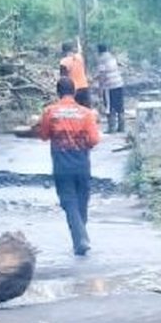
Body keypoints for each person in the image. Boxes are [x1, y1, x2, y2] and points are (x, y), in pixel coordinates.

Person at [35, 77, 101, 256]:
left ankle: (80, 239)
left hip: (61, 164)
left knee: (69, 202)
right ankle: (81, 238)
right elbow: (94, 140)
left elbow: (43, 135)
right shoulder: (87, 114)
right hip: (82, 163)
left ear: (58, 92)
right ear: (74, 92)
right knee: (82, 202)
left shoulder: (50, 112)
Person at [94, 44, 125, 134]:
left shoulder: (101, 59)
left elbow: (102, 75)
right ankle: (121, 127)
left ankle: (111, 128)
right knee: (120, 106)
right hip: (119, 83)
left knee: (109, 106)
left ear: (98, 51)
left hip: (109, 86)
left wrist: (100, 88)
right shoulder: (112, 57)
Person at [59, 41, 90, 107]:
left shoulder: (64, 62)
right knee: (86, 110)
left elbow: (63, 79)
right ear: (72, 49)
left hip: (73, 90)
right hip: (84, 86)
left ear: (63, 51)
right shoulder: (80, 57)